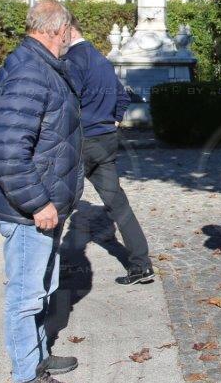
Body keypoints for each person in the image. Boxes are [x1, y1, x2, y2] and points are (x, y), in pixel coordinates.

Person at [0, 0, 85, 383]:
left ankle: (39, 355)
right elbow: (8, 151)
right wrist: (38, 203)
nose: (69, 40)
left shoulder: (37, 65)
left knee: (43, 286)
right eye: (68, 33)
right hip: (29, 211)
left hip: (41, 207)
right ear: (57, 30)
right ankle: (26, 378)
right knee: (27, 295)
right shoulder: (31, 71)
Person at [63, 19, 155, 286]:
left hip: (80, 142)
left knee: (57, 204)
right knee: (118, 204)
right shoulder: (101, 59)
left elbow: (67, 104)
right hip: (106, 139)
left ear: (68, 30)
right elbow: (123, 96)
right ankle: (142, 265)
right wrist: (112, 120)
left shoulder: (72, 61)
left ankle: (48, 272)